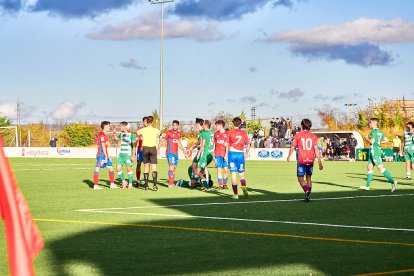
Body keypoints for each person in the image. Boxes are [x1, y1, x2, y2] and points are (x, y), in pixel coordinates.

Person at [287, 119, 323, 202]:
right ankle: (308, 194)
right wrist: (320, 162)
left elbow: (292, 147)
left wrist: (289, 156)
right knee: (309, 177)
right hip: (310, 160)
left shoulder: (298, 135)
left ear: (302, 125)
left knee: (300, 178)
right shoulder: (313, 136)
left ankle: (307, 191)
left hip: (302, 160)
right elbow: (316, 150)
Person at [359, 118, 397, 192]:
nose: (369, 124)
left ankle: (393, 182)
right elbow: (386, 140)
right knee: (369, 168)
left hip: (375, 152)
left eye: (369, 123)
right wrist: (378, 142)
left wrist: (366, 138)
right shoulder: (379, 132)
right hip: (373, 151)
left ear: (373, 123)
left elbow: (372, 142)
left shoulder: (373, 132)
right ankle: (367, 186)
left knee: (381, 169)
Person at [157, 120, 187, 188]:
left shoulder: (178, 134)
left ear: (178, 126)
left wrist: (183, 151)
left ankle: (171, 181)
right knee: (171, 167)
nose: (174, 126)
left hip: (176, 154)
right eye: (173, 125)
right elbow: (162, 140)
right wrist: (158, 149)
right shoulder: (169, 133)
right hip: (170, 153)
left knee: (174, 168)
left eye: (176, 125)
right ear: (172, 126)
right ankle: (170, 184)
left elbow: (178, 143)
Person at [227, 117, 250, 199]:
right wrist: (247, 153)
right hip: (240, 154)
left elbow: (227, 144)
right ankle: (244, 188)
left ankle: (236, 195)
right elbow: (248, 144)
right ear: (240, 124)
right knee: (242, 175)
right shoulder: (244, 133)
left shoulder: (229, 132)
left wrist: (226, 155)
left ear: (233, 123)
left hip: (232, 154)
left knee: (233, 175)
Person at [136, 116, 160, 191]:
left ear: (147, 121)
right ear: (152, 121)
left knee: (146, 167)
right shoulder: (156, 130)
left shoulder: (143, 130)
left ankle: (146, 186)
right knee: (154, 168)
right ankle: (155, 185)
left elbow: (136, 132)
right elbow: (160, 134)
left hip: (145, 149)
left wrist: (128, 129)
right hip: (153, 149)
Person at [93, 121, 118, 190]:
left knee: (111, 168)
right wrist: (106, 156)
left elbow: (105, 147)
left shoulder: (104, 134)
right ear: (105, 126)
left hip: (105, 155)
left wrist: (108, 156)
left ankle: (112, 184)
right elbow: (103, 146)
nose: (109, 127)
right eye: (108, 126)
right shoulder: (102, 135)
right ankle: (95, 185)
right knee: (97, 168)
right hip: (101, 155)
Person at [113, 122, 136, 189]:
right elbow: (117, 139)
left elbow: (134, 146)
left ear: (124, 126)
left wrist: (133, 155)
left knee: (128, 169)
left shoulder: (132, 135)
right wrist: (114, 133)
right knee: (118, 168)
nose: (120, 127)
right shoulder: (121, 134)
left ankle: (130, 184)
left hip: (128, 154)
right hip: (121, 154)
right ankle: (124, 181)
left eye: (121, 126)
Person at [195, 120, 215, 191]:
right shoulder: (212, 132)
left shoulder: (204, 133)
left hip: (205, 154)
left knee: (198, 171)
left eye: (203, 124)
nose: (202, 126)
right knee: (203, 169)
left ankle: (207, 186)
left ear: (206, 125)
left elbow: (203, 144)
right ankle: (206, 183)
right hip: (211, 154)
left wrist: (199, 153)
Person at [214, 120, 229, 189]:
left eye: (216, 125)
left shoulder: (227, 133)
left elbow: (227, 145)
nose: (216, 127)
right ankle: (220, 185)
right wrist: (214, 152)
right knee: (219, 170)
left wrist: (226, 154)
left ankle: (225, 184)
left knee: (226, 170)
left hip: (225, 155)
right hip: (217, 154)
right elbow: (215, 143)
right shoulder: (216, 134)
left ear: (220, 125)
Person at [135, 117, 147, 186]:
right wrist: (134, 152)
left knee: (146, 166)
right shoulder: (139, 130)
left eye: (146, 121)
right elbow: (136, 140)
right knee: (138, 165)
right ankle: (138, 180)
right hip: (140, 150)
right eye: (144, 121)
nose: (145, 123)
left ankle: (146, 181)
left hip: (147, 150)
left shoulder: (149, 131)